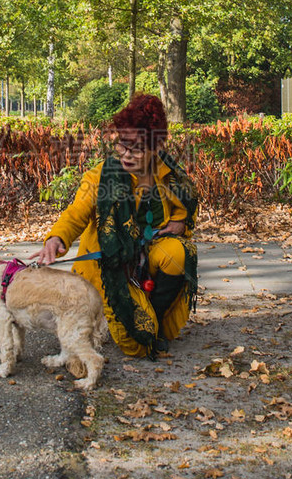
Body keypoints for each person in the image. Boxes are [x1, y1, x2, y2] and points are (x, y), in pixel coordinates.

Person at [33, 93, 198, 358]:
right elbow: (75, 213)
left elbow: (185, 207)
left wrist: (179, 224)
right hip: (113, 268)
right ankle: (140, 323)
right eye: (122, 145)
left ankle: (155, 321)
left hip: (149, 260)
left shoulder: (167, 173)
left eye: (137, 148)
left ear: (156, 148)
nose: (126, 154)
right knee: (136, 346)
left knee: (181, 253)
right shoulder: (102, 175)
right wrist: (56, 240)